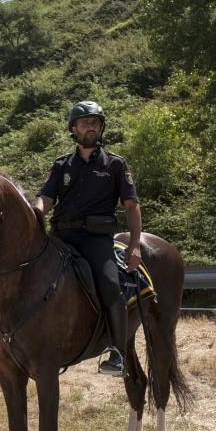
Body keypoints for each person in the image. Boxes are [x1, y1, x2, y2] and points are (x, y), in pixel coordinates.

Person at [32, 100, 142, 377]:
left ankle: (118, 352)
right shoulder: (60, 166)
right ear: (74, 129)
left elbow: (131, 205)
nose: (90, 127)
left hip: (95, 240)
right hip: (60, 237)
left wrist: (135, 244)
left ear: (101, 127)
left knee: (109, 285)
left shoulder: (115, 164)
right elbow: (46, 198)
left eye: (95, 123)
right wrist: (36, 212)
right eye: (85, 123)